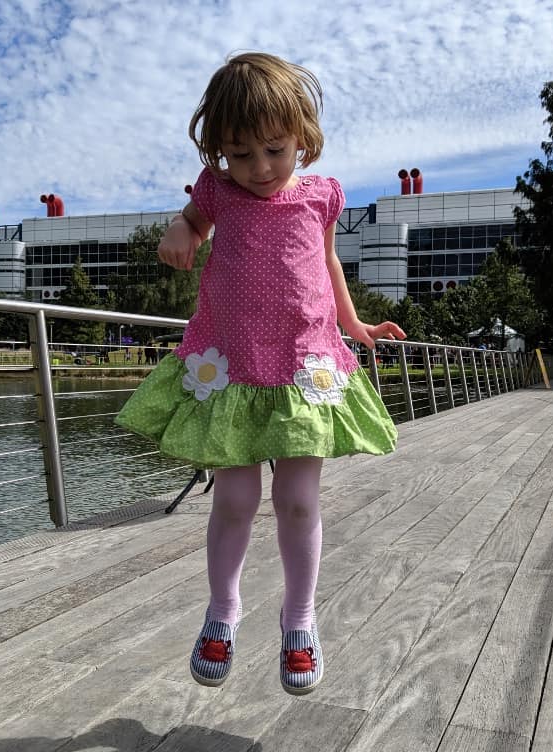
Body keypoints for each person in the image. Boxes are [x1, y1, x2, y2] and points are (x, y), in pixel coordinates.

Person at [115, 52, 406, 695]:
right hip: (235, 367)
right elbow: (190, 220)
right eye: (239, 154)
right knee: (236, 498)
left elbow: (328, 267)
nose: (259, 168)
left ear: (301, 137)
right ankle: (224, 609)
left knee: (298, 502)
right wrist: (178, 231)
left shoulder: (322, 196)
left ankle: (298, 619)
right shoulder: (217, 191)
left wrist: (354, 327)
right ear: (218, 152)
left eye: (274, 150)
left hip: (303, 365)